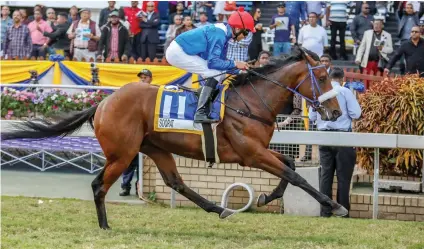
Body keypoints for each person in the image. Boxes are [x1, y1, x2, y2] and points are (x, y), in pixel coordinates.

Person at [165, 7, 254, 123]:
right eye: (246, 32)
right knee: (214, 73)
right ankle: (200, 113)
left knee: (218, 74)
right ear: (237, 29)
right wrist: (236, 64)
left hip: (182, 50)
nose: (245, 37)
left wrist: (241, 70)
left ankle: (202, 94)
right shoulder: (220, 35)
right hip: (177, 52)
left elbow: (221, 64)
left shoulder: (223, 33)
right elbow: (214, 63)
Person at [309, 67, 361, 218]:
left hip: (324, 137)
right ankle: (342, 212)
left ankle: (325, 212)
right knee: (343, 178)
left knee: (326, 176)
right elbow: (356, 113)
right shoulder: (345, 92)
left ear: (330, 78)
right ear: (342, 79)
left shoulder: (321, 93)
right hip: (343, 137)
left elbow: (312, 117)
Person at [119, 69, 153, 197]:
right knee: (128, 163)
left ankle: (140, 188)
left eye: (145, 77)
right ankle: (125, 187)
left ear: (151, 78)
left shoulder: (154, 92)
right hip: (133, 135)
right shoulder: (134, 93)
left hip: (146, 136)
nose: (143, 79)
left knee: (142, 165)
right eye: (141, 77)